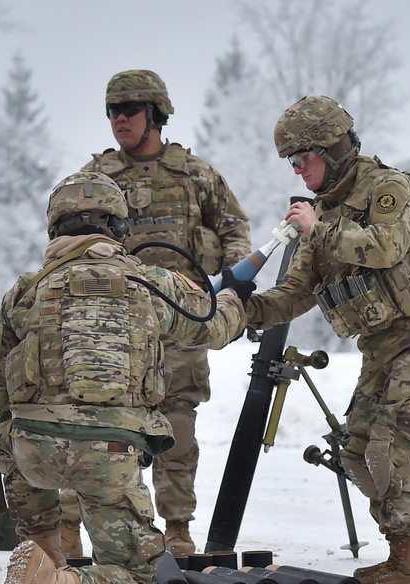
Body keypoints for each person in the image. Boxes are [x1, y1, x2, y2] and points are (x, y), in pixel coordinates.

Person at [0, 172, 255, 584]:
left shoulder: (24, 291)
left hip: (33, 458)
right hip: (108, 459)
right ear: (118, 227)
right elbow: (215, 326)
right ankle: (56, 583)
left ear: (56, 228)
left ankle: (41, 551)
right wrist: (235, 296)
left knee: (9, 436)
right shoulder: (150, 283)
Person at [245, 95, 410, 584]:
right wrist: (243, 310)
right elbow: (298, 291)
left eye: (301, 159)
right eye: (291, 162)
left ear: (331, 150)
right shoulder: (325, 215)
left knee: (388, 446)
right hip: (384, 346)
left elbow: (385, 247)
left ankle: (403, 567)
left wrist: (318, 228)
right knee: (354, 452)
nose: (296, 171)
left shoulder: (391, 188)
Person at [60, 69, 252, 558]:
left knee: (177, 424)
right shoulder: (96, 178)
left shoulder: (194, 174)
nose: (119, 120)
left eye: (130, 110)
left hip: (182, 319)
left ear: (156, 114)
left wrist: (229, 283)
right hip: (114, 322)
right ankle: (68, 530)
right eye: (112, 111)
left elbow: (233, 229)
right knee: (94, 420)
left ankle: (177, 528)